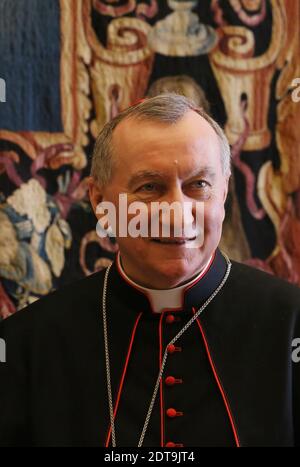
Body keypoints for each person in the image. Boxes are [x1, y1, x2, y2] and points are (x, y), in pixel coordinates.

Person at [0, 94, 300, 447]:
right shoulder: (25, 345)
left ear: (223, 192)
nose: (177, 213)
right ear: (100, 201)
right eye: (150, 188)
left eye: (198, 185)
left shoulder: (291, 322)